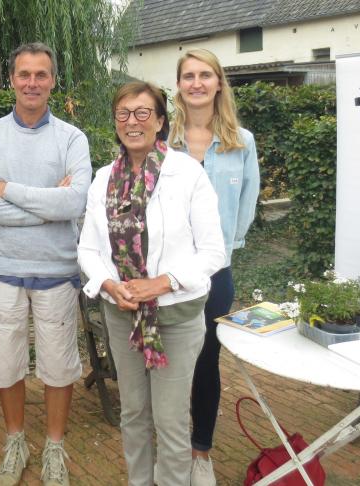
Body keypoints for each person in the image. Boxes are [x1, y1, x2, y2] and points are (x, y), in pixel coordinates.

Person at [77, 81, 225, 486]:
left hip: (175, 317)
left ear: (160, 121)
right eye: (123, 114)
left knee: (171, 420)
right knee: (134, 414)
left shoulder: (187, 173)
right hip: (122, 314)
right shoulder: (104, 177)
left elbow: (214, 252)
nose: (132, 122)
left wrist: (161, 283)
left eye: (143, 113)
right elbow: (88, 249)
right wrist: (110, 285)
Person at [0, 42, 92, 486]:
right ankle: (15, 441)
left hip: (57, 270)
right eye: (24, 74)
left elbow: (76, 200)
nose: (32, 82)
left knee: (59, 363)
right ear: (11, 79)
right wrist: (47, 207)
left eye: (41, 74)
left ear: (53, 80)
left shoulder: (72, 138)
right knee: (5, 360)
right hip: (3, 269)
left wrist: (9, 189)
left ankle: (54, 446)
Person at [169, 48, 260, 486]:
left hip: (215, 276)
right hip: (165, 275)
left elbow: (246, 205)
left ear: (219, 82)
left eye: (206, 75)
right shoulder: (163, 142)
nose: (197, 83)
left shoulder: (241, 141)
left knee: (207, 363)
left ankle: (200, 450)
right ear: (179, 85)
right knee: (166, 364)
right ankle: (168, 449)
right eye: (189, 76)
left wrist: (224, 251)